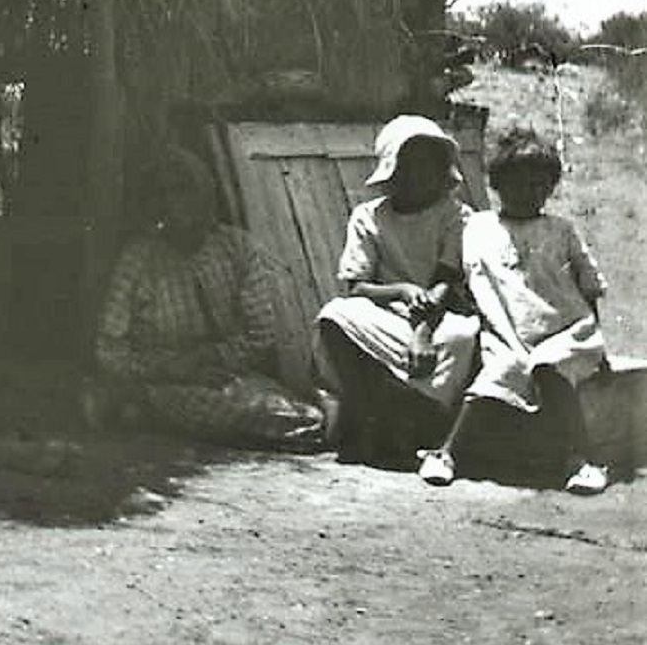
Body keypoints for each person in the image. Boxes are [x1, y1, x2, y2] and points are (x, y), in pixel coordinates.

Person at [85, 148, 324, 450]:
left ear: (204, 196)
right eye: (162, 194)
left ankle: (142, 413)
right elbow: (108, 348)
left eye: (182, 191)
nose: (172, 203)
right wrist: (172, 368)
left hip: (224, 376)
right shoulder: (139, 259)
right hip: (160, 378)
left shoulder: (237, 249)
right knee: (253, 416)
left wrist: (211, 359)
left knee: (303, 417)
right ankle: (141, 402)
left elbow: (259, 335)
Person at [414, 128, 610, 493]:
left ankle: (581, 460)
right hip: (506, 329)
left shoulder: (561, 230)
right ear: (498, 184)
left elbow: (588, 285)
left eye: (540, 185)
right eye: (519, 183)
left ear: (550, 188)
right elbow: (452, 275)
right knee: (501, 371)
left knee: (549, 365)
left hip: (567, 328)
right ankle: (446, 454)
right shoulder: (476, 228)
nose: (530, 193)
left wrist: (599, 346)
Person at [315, 115, 481, 466]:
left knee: (461, 337)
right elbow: (357, 285)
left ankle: (417, 419)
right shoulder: (368, 216)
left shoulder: (455, 216)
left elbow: (447, 278)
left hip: (441, 314)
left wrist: (422, 332)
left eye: (428, 166)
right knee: (334, 315)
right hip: (387, 312)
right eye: (410, 166)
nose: (419, 175)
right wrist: (402, 291)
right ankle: (367, 410)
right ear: (392, 171)